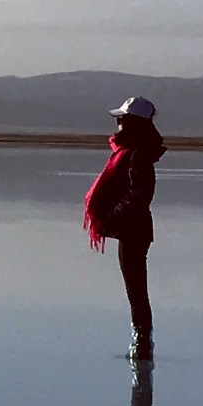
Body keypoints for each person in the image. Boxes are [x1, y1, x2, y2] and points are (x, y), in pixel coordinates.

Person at [82, 95, 165, 361]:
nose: (117, 124)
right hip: (132, 230)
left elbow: (139, 195)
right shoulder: (129, 153)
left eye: (121, 119)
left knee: (136, 289)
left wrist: (112, 217)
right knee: (135, 289)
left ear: (132, 123)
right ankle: (140, 343)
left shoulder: (136, 155)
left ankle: (141, 344)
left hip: (134, 231)